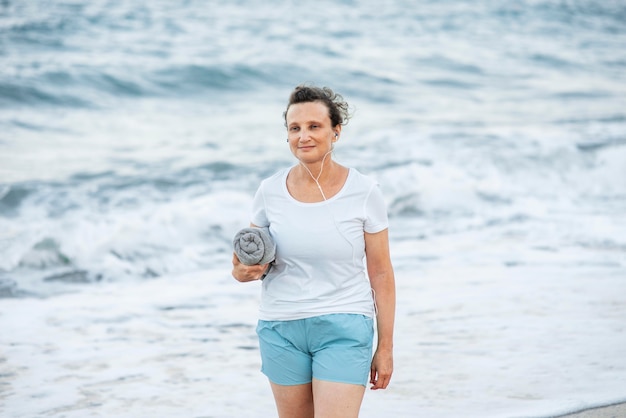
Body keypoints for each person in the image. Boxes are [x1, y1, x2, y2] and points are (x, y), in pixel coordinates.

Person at [232, 84, 395, 418]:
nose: (303, 136)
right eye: (295, 128)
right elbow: (247, 262)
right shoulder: (269, 191)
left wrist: (386, 347)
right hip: (281, 327)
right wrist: (242, 272)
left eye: (314, 126)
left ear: (336, 131)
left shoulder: (364, 192)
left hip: (345, 326)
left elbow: (380, 272)